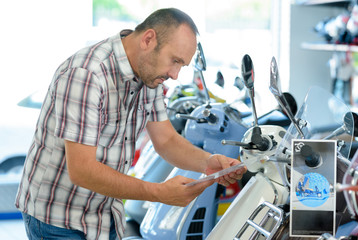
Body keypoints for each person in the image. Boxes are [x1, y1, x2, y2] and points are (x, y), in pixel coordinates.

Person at [15, 8, 247, 240]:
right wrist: (159, 193)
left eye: (182, 65)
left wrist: (207, 163)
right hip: (58, 219)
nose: (175, 74)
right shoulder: (87, 74)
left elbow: (166, 140)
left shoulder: (150, 75)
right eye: (174, 61)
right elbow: (82, 170)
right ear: (148, 39)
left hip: (105, 214)